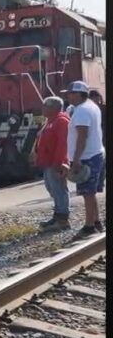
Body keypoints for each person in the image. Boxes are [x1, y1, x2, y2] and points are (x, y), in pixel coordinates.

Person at [62, 81, 105, 236]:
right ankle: (96, 221)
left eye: (71, 93)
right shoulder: (92, 106)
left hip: (87, 157)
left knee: (87, 193)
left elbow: (82, 136)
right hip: (95, 154)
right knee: (91, 192)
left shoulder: (82, 111)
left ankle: (89, 226)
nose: (68, 96)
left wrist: (76, 159)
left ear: (80, 94)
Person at [34, 96, 71, 230]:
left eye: (45, 106)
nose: (42, 108)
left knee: (59, 189)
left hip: (55, 163)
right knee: (52, 188)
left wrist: (60, 162)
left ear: (53, 108)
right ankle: (57, 215)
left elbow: (63, 143)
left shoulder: (61, 121)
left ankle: (62, 219)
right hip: (48, 162)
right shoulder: (50, 121)